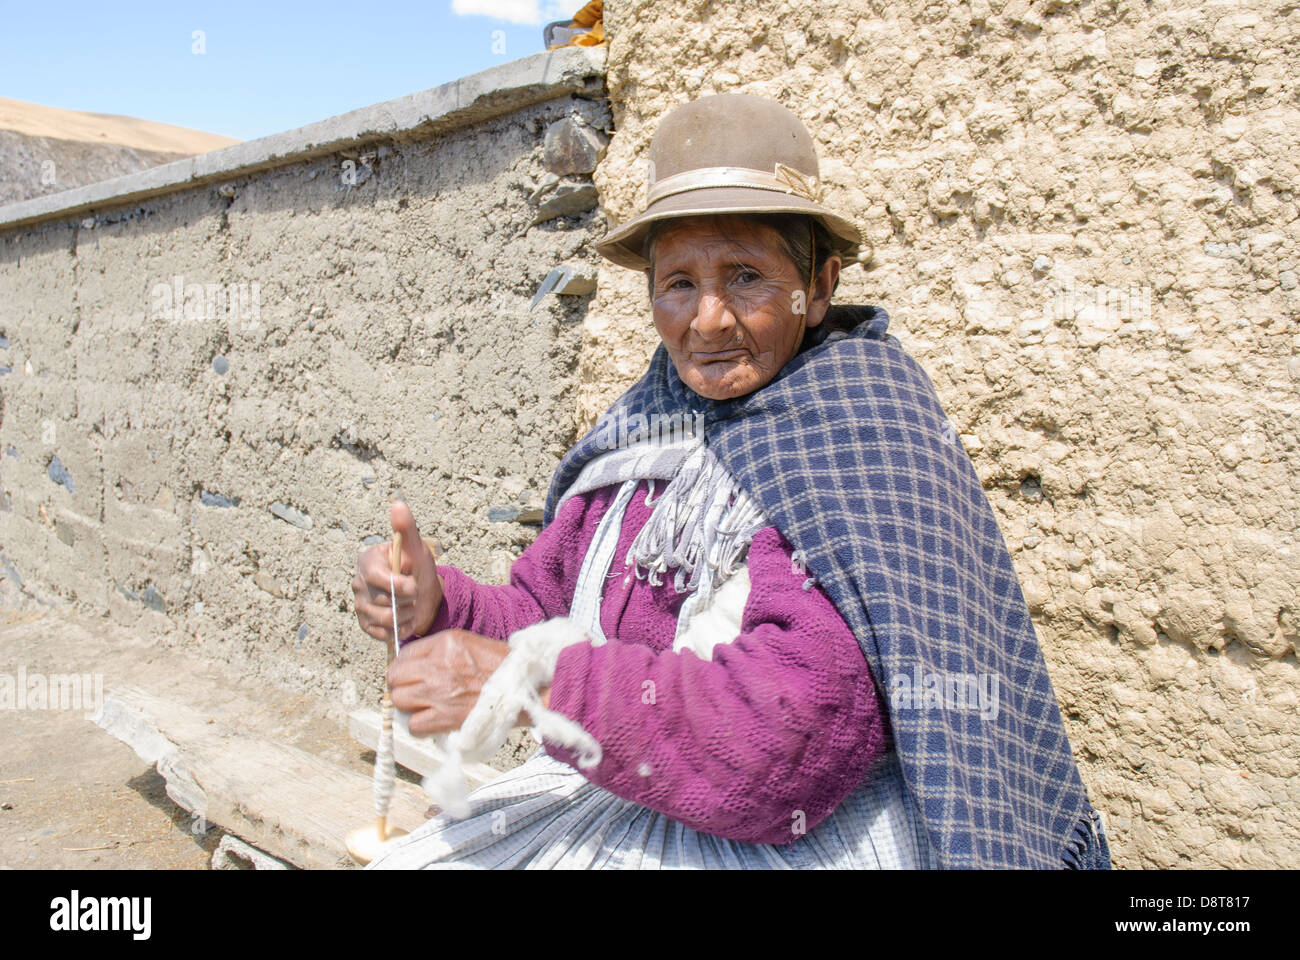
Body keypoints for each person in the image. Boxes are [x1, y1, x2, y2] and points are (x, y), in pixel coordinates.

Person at [351, 93, 1112, 869]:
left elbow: (781, 743)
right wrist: (443, 606)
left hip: (798, 837)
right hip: (634, 792)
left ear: (818, 287)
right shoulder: (648, 432)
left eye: (745, 276)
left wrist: (536, 685)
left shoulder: (861, 447)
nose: (707, 319)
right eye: (678, 282)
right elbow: (547, 607)